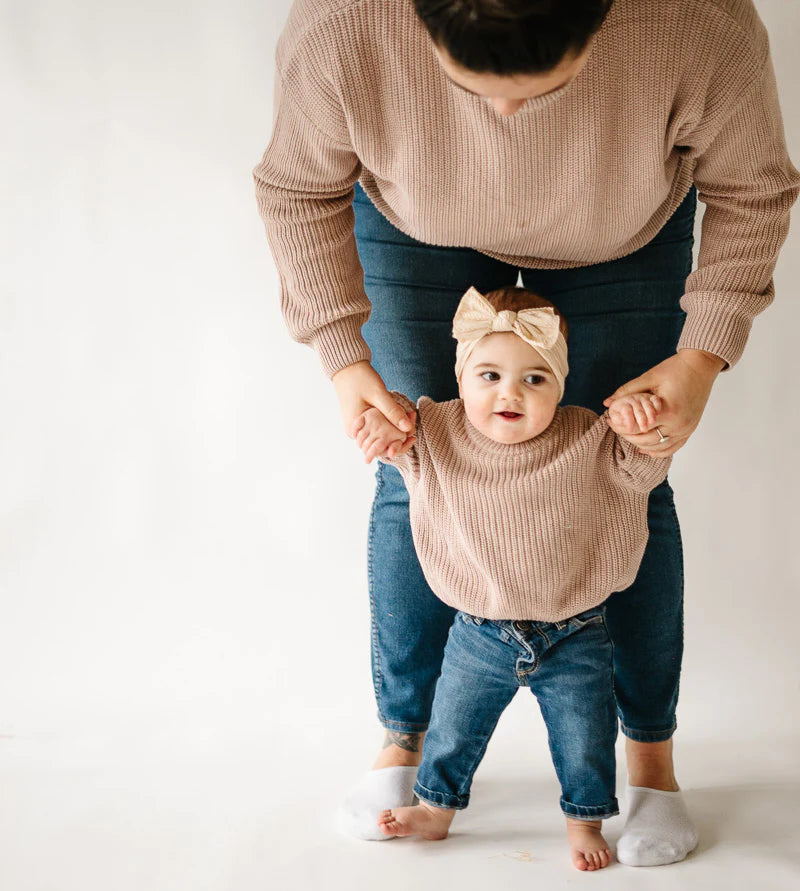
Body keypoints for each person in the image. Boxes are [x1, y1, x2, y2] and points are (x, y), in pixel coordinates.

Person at [253, 0, 799, 866]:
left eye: (541, 91)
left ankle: (650, 760)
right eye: (471, 88)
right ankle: (407, 738)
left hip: (624, 232)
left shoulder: (701, 22)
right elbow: (295, 186)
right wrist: (342, 356)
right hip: (411, 224)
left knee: (631, 472)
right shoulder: (346, 24)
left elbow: (753, 187)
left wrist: (702, 356)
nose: (504, 120)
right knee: (411, 467)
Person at [350, 284, 674, 870]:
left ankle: (584, 820)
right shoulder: (436, 430)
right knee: (452, 726)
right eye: (490, 375)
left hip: (575, 630)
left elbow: (644, 465)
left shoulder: (588, 436)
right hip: (477, 631)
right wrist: (381, 423)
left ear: (561, 386)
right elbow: (396, 443)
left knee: (585, 736)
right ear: (461, 376)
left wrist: (640, 421)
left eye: (535, 379)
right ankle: (435, 808)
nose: (510, 393)